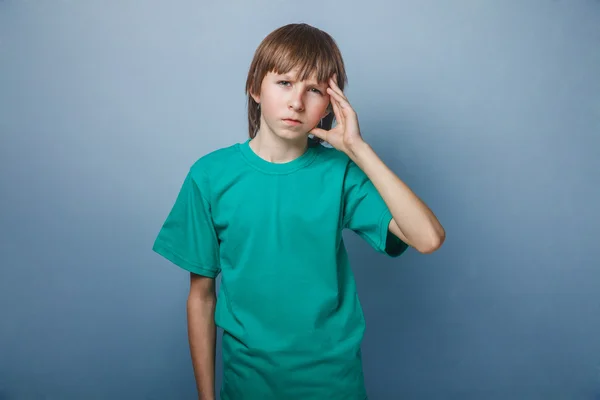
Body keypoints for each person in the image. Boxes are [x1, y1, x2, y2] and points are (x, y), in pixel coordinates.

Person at [152, 23, 445, 400]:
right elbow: (202, 296)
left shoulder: (340, 174)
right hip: (247, 386)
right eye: (285, 83)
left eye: (314, 90)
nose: (297, 102)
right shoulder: (209, 176)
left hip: (334, 385)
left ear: (330, 104)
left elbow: (428, 238)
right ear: (255, 87)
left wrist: (358, 150)